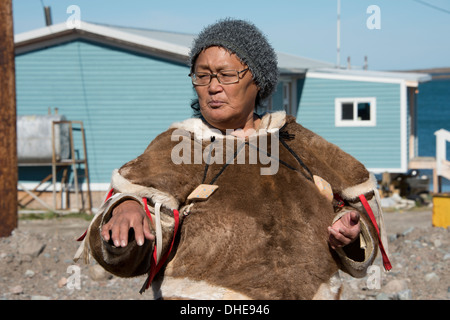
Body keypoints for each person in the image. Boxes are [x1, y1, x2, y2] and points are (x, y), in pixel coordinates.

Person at [74, 18, 390, 300]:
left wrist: (349, 234)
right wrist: (128, 210)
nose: (212, 87)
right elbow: (139, 212)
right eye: (202, 75)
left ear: (259, 80)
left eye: (226, 75)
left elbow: (358, 216)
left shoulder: (299, 142)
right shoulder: (180, 145)